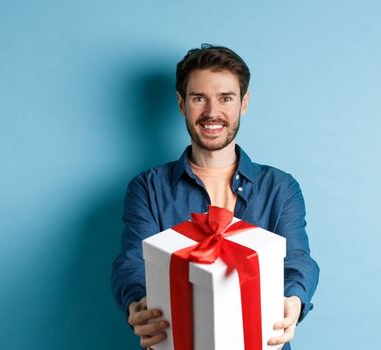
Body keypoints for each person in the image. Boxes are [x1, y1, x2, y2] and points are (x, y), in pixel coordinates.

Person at [110, 44, 320, 349]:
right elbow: (132, 262)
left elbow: (298, 260)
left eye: (225, 98)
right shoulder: (148, 188)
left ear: (243, 103)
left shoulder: (280, 187)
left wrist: (294, 299)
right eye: (199, 98)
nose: (212, 112)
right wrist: (137, 304)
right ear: (182, 104)